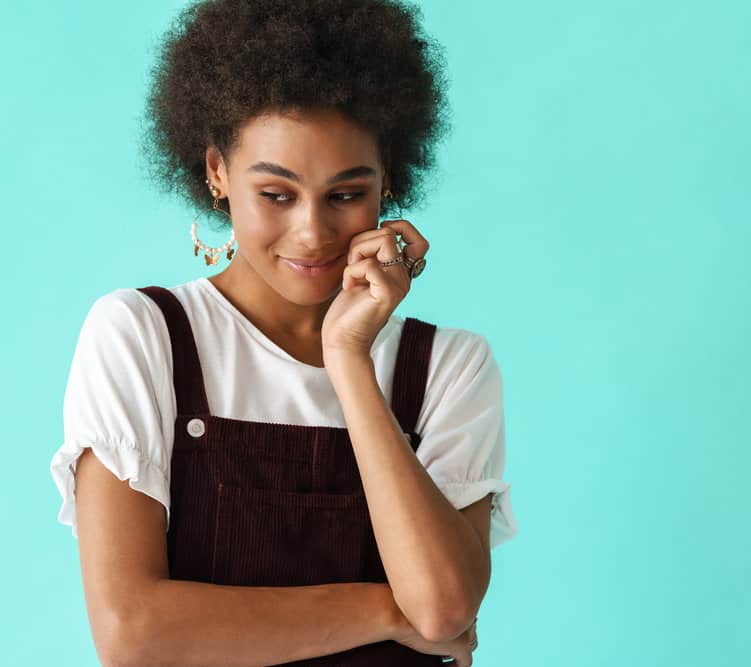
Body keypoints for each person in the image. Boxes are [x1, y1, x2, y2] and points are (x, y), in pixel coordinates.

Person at [47, 1, 517, 665]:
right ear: (217, 171)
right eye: (277, 194)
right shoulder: (142, 336)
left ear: (389, 183)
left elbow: (442, 607)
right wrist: (386, 609)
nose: (313, 233)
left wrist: (348, 359)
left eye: (347, 193)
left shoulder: (448, 366)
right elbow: (134, 630)